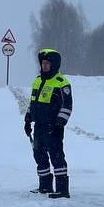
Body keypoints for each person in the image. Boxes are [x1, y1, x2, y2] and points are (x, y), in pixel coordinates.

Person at [24, 48, 72, 198]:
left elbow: (67, 106)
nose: (44, 66)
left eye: (47, 63)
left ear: (54, 65)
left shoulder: (61, 82)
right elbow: (33, 102)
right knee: (39, 156)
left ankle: (62, 190)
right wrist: (27, 119)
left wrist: (59, 124)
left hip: (54, 127)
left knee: (56, 157)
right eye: (43, 63)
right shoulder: (38, 80)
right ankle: (45, 186)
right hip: (39, 126)